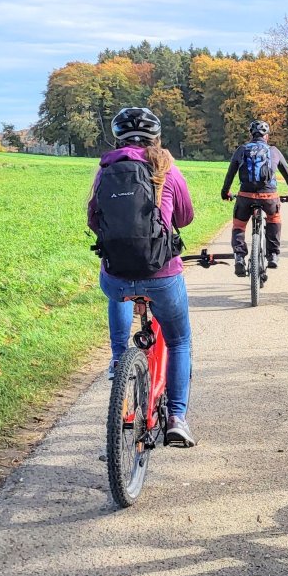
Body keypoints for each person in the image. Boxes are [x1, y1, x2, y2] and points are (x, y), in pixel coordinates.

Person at [87, 106, 198, 448]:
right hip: (161, 273)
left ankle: (120, 359)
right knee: (179, 341)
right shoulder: (166, 167)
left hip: (117, 274)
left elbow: (94, 220)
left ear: (118, 138)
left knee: (116, 289)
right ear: (156, 137)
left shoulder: (106, 169)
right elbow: (187, 216)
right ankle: (177, 418)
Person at [220, 119, 288, 276]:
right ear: (267, 136)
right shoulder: (273, 151)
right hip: (269, 196)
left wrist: (225, 193)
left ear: (251, 134)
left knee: (239, 225)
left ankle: (239, 257)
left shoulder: (242, 149)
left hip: (245, 196)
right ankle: (273, 255)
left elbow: (230, 174)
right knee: (274, 219)